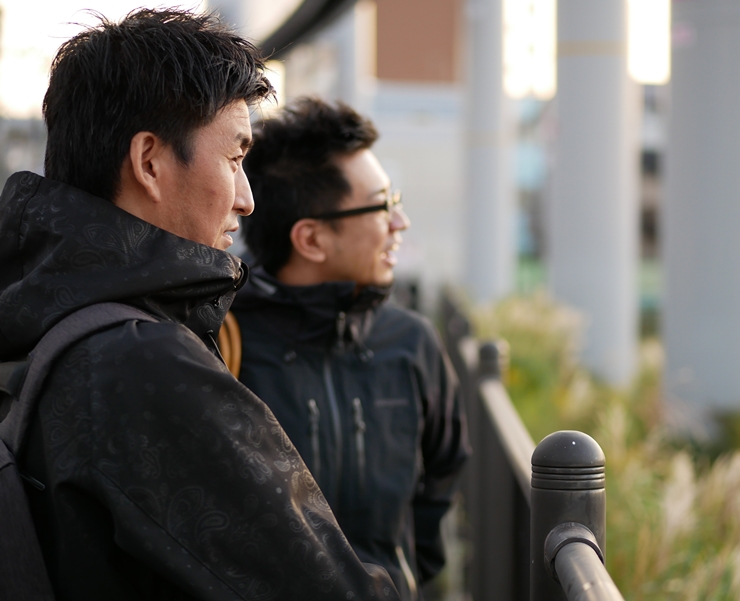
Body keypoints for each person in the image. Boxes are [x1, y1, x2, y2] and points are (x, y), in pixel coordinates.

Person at [0, 10, 400, 600]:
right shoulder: (144, 365)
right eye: (235, 159)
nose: (247, 199)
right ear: (150, 163)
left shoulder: (44, 319)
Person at [231, 98, 470, 600]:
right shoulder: (223, 344)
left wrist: (406, 575)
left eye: (395, 200)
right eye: (382, 206)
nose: (400, 222)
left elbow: (444, 468)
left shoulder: (411, 341)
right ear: (311, 240)